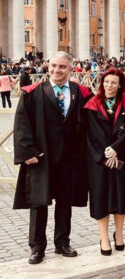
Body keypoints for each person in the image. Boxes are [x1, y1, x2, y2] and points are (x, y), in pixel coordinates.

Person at [13, 52, 92, 264]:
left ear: (71, 69)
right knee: (38, 203)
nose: (57, 70)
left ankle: (62, 242)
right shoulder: (33, 93)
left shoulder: (80, 92)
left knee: (65, 203)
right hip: (41, 157)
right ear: (48, 67)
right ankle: (37, 247)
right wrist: (26, 152)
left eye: (62, 67)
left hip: (69, 159)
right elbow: (22, 123)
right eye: (53, 66)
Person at [83, 68, 125, 256]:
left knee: (120, 197)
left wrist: (117, 149)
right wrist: (105, 154)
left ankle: (119, 234)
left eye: (114, 83)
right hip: (99, 161)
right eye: (107, 82)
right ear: (102, 83)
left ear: (120, 85)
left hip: (122, 158)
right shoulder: (92, 104)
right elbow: (90, 135)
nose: (109, 86)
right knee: (101, 198)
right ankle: (104, 237)